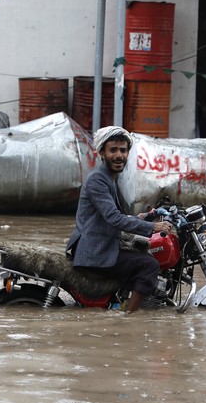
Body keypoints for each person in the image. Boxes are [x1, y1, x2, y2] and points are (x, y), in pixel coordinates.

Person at [66, 126, 173, 313]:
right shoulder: (98, 180)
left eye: (123, 150)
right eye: (113, 150)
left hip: (99, 247)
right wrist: (152, 226)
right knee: (149, 265)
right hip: (95, 253)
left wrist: (143, 217)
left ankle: (124, 301)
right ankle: (128, 318)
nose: (119, 155)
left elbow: (113, 216)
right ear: (101, 153)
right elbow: (113, 218)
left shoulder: (110, 179)